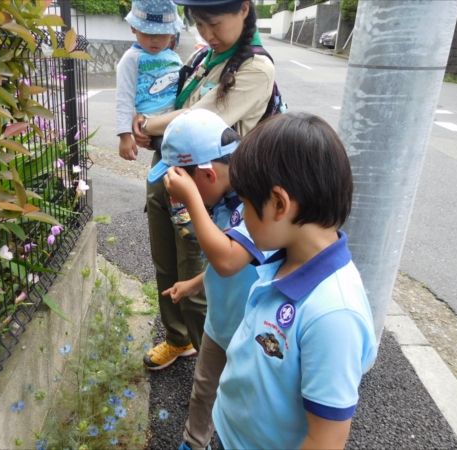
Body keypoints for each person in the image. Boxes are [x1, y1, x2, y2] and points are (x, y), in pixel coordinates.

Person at [211, 113, 378, 450]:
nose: (241, 215)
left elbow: (325, 439)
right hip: (231, 433)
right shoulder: (283, 258)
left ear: (279, 204)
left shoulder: (334, 314)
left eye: (244, 203)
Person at [134, 0, 275, 371]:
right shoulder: (204, 58)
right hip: (169, 171)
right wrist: (157, 133)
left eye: (214, 23)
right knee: (166, 265)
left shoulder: (256, 68)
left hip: (206, 187)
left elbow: (200, 119)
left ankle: (212, 364)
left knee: (196, 270)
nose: (207, 33)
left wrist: (149, 125)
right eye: (199, 23)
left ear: (244, 9)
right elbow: (178, 110)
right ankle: (178, 339)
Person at [147, 109, 268, 450]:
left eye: (184, 185)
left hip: (254, 331)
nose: (180, 194)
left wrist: (191, 203)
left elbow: (230, 260)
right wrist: (196, 283)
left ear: (207, 175)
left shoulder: (255, 200)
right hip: (220, 322)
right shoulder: (220, 195)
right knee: (204, 390)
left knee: (245, 399)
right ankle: (193, 443)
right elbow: (230, 260)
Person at [116, 0, 183, 161]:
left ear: (172, 32)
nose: (155, 40)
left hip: (175, 117)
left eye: (162, 34)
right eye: (148, 34)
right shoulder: (131, 59)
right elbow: (124, 98)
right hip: (151, 121)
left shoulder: (173, 56)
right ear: (134, 28)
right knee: (172, 158)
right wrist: (125, 136)